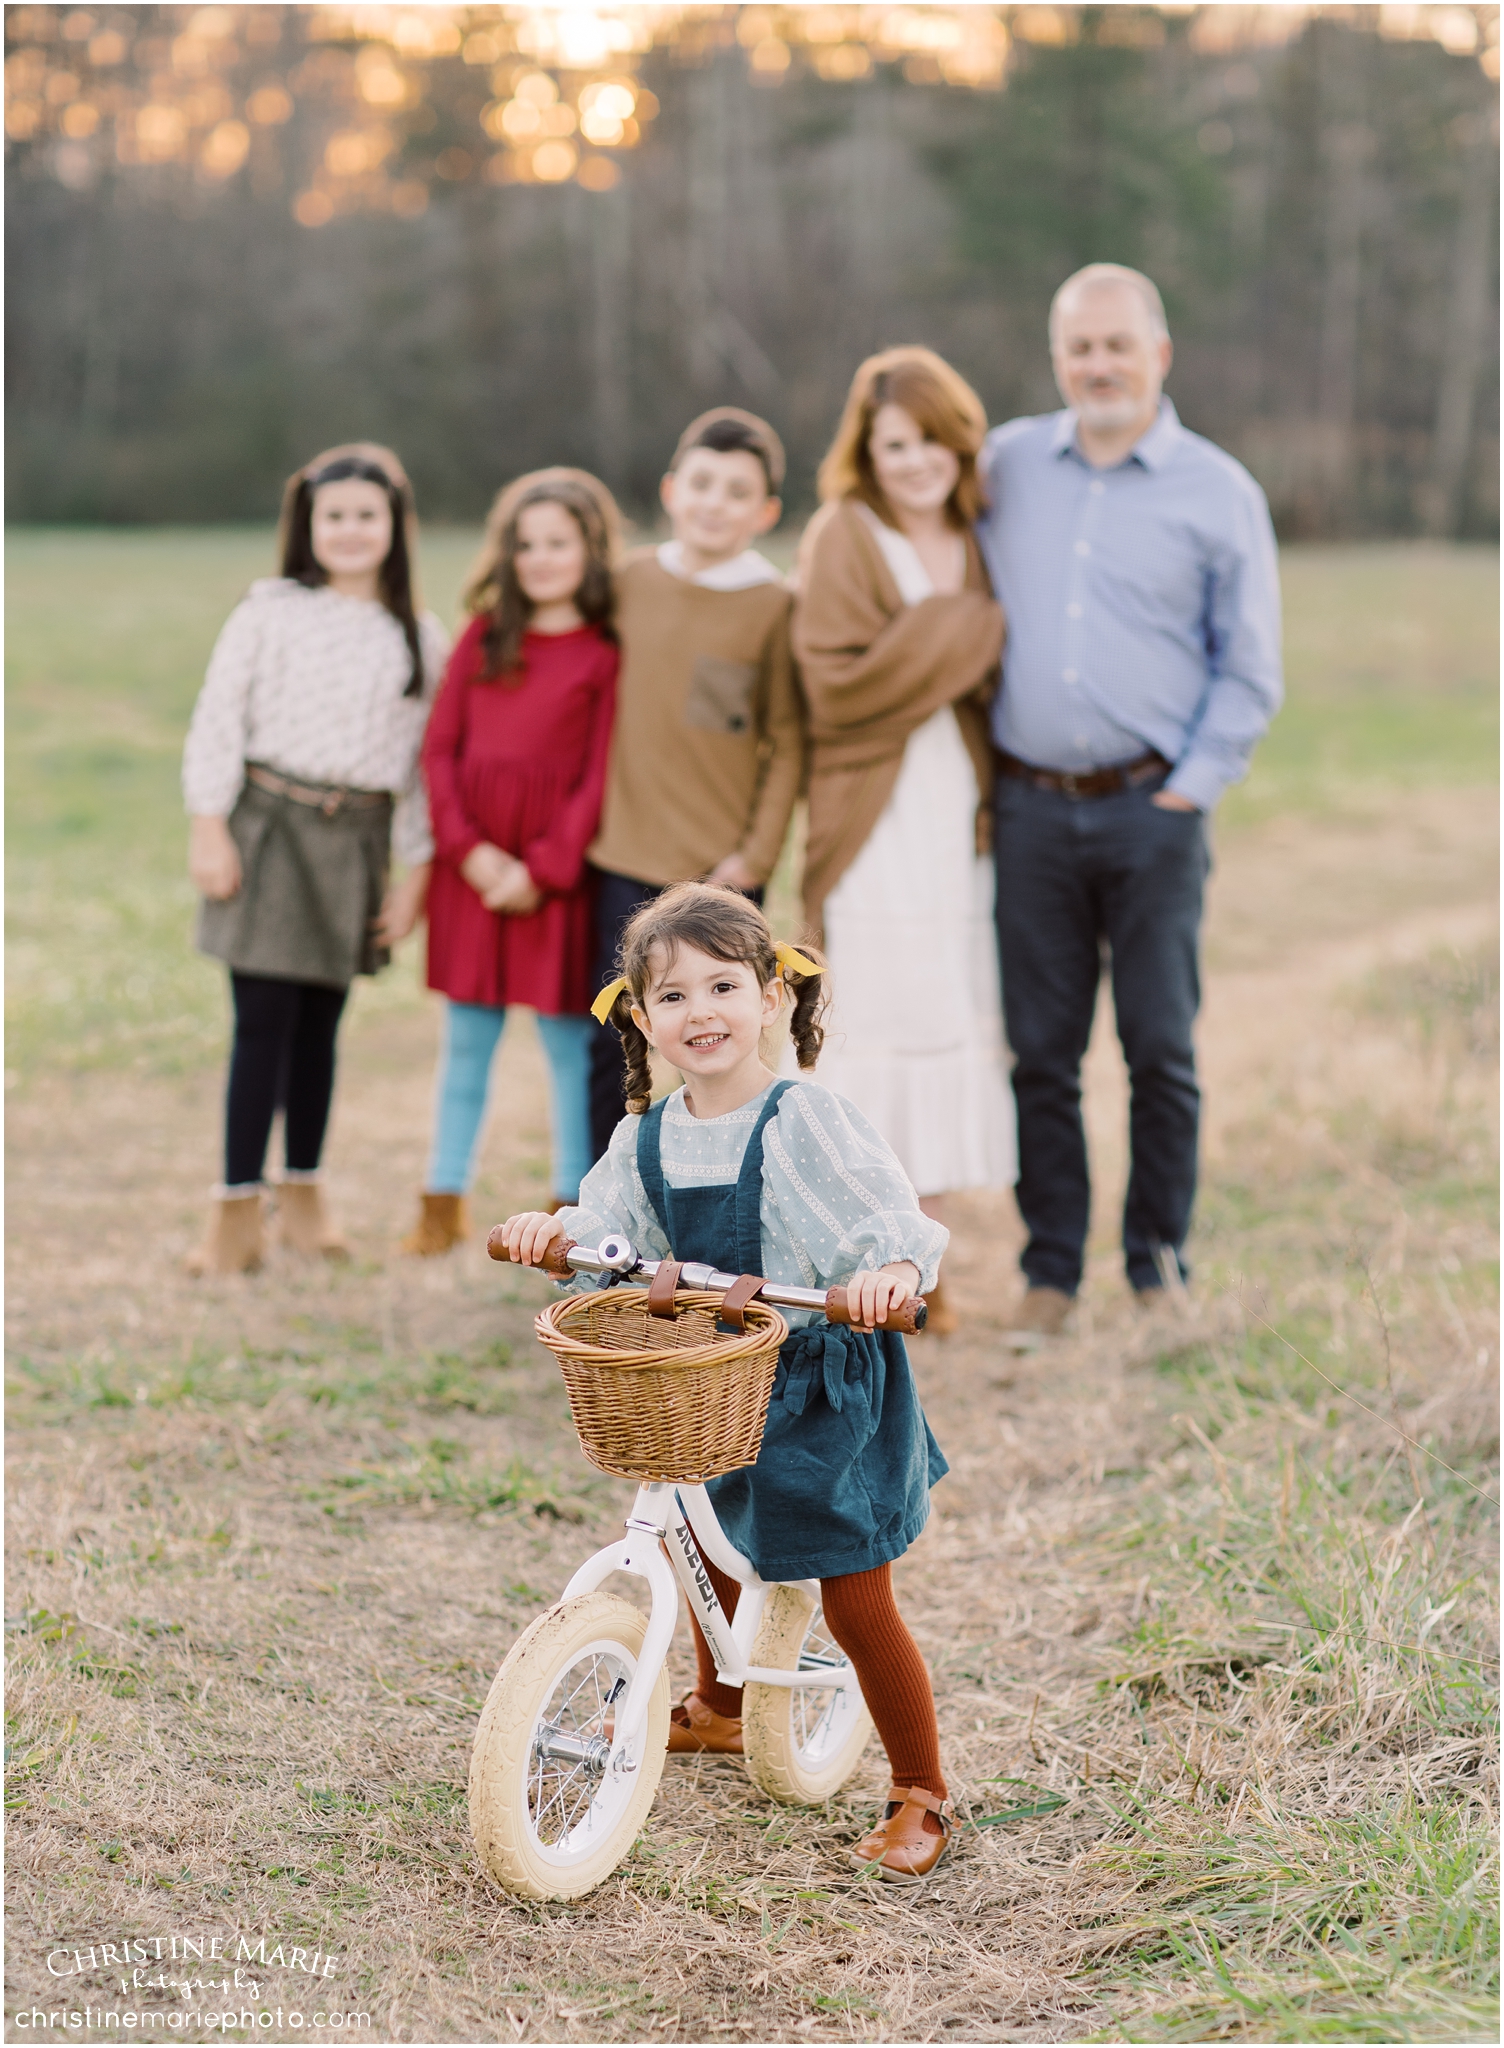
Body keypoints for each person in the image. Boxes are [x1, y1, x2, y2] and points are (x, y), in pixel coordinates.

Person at [500, 883, 956, 1883]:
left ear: (769, 996)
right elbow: (609, 1231)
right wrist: (555, 1235)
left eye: (722, 984)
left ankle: (920, 1785)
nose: (699, 1011)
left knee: (852, 1591)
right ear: (639, 1015)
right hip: (713, 1373)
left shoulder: (807, 1118)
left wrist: (885, 1273)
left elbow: (887, 1221)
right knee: (699, 1525)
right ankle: (715, 1704)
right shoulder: (647, 1135)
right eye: (671, 995)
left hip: (820, 1378)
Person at [976, 263, 1283, 1339]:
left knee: (1159, 1046)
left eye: (1116, 344)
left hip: (1153, 810)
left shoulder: (1217, 489)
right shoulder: (1005, 463)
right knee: (1040, 1051)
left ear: (1158, 352)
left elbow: (1249, 668)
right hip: (1026, 808)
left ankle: (1156, 1262)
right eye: (1077, 348)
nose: (1097, 364)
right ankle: (1049, 1271)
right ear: (1057, 357)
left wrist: (1188, 791)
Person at [182, 442, 448, 1276]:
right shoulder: (270, 609)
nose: (349, 530)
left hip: (357, 841)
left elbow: (419, 769)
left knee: (321, 1028)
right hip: (269, 826)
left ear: (394, 527)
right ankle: (232, 1209)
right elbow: (218, 716)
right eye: (333, 516)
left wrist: (417, 877)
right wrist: (209, 825)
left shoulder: (417, 635)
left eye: (367, 515)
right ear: (308, 525)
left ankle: (304, 1194)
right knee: (261, 1020)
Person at [791, 347, 1014, 1335]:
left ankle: (927, 1254)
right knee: (868, 1024)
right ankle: (869, 1259)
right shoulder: (846, 531)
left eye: (929, 439)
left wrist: (953, 630)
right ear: (866, 452)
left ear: (956, 441)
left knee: (945, 1009)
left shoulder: (977, 532)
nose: (914, 460)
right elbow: (834, 685)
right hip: (871, 810)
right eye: (893, 444)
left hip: (953, 805)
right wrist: (965, 628)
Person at [402, 470, 620, 1256]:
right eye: (525, 544)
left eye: (558, 542)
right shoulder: (483, 636)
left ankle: (571, 1208)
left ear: (591, 550)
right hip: (475, 875)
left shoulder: (603, 655)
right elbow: (440, 752)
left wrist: (543, 868)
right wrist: (471, 854)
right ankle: (441, 1198)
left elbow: (600, 775)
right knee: (466, 1041)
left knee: (566, 1047)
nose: (540, 558)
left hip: (552, 882)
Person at [585, 407, 804, 1163]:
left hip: (720, 875)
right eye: (703, 483)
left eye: (737, 491)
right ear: (673, 490)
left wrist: (755, 857)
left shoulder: (774, 605)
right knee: (616, 1047)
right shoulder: (629, 582)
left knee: (719, 1050)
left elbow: (788, 740)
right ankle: (606, 1217)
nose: (716, 502)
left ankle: (712, 1207)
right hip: (621, 854)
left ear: (765, 512)